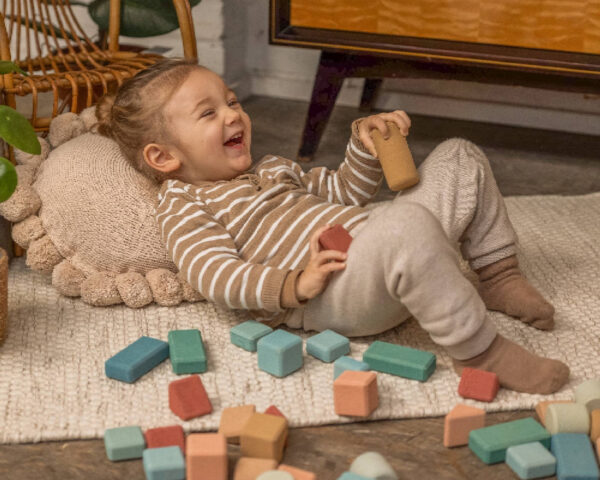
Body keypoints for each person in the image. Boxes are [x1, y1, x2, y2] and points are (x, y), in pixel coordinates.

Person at [96, 58, 569, 394]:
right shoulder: (186, 202)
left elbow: (344, 192)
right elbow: (210, 273)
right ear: (164, 157)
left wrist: (364, 148)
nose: (234, 113)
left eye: (232, 100)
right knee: (406, 223)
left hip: (383, 246)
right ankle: (478, 351)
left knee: (459, 156)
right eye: (209, 112)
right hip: (332, 292)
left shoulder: (273, 167)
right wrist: (294, 283)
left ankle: (499, 275)